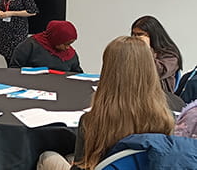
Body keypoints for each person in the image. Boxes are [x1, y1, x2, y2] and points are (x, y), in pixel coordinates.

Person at [37, 36, 174, 170]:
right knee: (69, 157)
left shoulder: (92, 121)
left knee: (47, 157)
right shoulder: (166, 120)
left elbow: (81, 165)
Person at [131, 15, 182, 93]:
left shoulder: (170, 55)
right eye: (133, 34)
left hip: (159, 98)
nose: (135, 38)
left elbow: (157, 72)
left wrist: (145, 50)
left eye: (139, 34)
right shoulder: (131, 52)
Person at [10, 20, 83, 72]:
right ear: (56, 38)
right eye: (65, 44)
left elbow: (77, 74)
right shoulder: (30, 45)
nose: (67, 47)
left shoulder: (70, 54)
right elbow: (14, 69)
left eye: (70, 44)